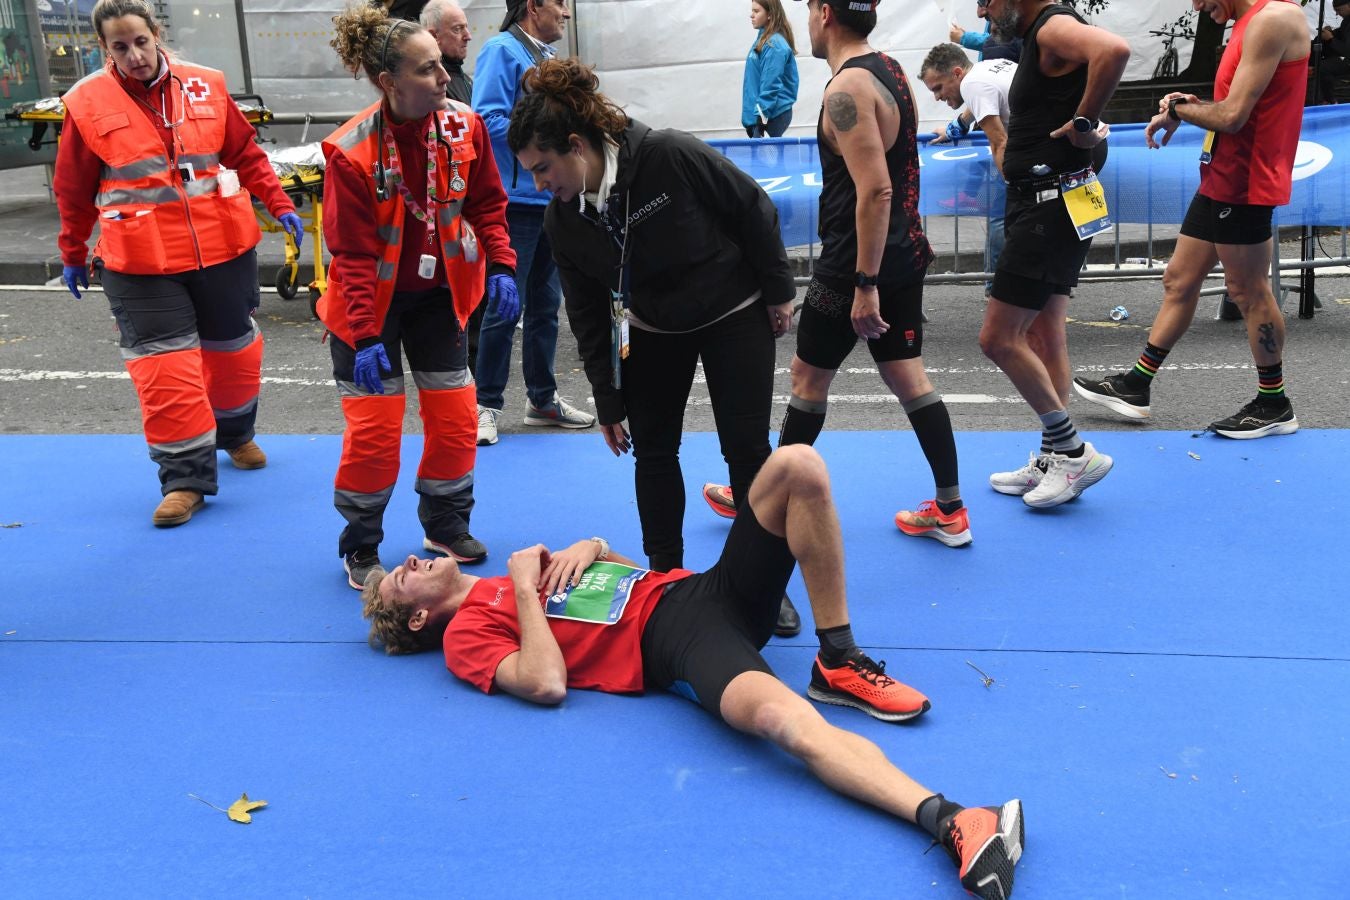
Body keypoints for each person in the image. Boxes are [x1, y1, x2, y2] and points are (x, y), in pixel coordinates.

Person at [361, 444, 1026, 899]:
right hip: (677, 645)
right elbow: (544, 682)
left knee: (797, 465)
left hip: (701, 591)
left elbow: (620, 577)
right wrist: (523, 587)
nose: (412, 561)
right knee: (784, 726)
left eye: (407, 560)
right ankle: (952, 819)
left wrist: (591, 543)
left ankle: (837, 655)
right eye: (401, 577)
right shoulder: (467, 634)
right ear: (418, 620)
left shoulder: (519, 567)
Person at [506, 58, 804, 637]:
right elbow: (588, 315)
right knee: (654, 453)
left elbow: (753, 208)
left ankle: (760, 582)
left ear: (576, 145)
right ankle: (665, 579)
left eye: (544, 168)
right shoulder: (562, 222)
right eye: (531, 175)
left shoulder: (667, 154)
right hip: (651, 328)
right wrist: (608, 401)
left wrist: (778, 292)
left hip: (732, 312)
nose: (541, 185)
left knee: (746, 451)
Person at [709, 0, 970, 548]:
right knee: (908, 377)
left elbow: (876, 188)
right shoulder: (891, 69)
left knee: (808, 379)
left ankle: (764, 497)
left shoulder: (846, 89)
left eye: (807, 10)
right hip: (905, 252)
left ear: (825, 13)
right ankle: (951, 508)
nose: (805, 22)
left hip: (857, 265)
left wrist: (864, 284)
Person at [53, 0, 302, 527]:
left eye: (141, 42)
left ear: (156, 34)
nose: (135, 55)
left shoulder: (205, 84)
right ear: (104, 49)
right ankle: (184, 479)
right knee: (165, 369)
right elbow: (72, 190)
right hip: (138, 260)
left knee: (233, 353)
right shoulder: (85, 102)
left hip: (222, 249)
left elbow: (246, 154)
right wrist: (72, 251)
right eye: (120, 47)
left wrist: (278, 203)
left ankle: (235, 434)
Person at [320, 3, 518, 588]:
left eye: (441, 65)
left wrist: (502, 266)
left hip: (439, 299)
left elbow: (486, 205)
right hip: (368, 311)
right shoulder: (350, 153)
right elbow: (352, 256)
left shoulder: (464, 125)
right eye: (428, 69)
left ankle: (446, 524)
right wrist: (360, 333)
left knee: (456, 418)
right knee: (375, 434)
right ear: (389, 83)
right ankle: (361, 545)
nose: (444, 77)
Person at [1073, 0, 1309, 439]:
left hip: (1245, 182)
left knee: (1248, 290)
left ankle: (1274, 403)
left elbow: (1233, 117)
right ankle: (1136, 386)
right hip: (1220, 175)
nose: (1199, 6)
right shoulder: (1245, 23)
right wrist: (1187, 105)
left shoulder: (1275, 17)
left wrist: (1181, 110)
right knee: (1179, 280)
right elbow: (1234, 107)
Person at [975, 0, 1127, 508]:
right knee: (1044, 332)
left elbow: (1115, 48)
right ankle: (1053, 457)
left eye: (986, 0)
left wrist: (1086, 121)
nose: (982, 11)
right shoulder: (1045, 32)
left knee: (998, 338)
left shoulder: (1051, 26)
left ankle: (1072, 450)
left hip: (1050, 208)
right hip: (1062, 201)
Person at [470, 0, 595, 447]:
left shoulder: (544, 58)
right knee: (505, 304)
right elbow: (485, 120)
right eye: (559, 3)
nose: (565, 12)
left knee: (545, 306)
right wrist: (548, 139)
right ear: (532, 5)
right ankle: (485, 405)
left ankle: (542, 399)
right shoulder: (501, 50)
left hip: (550, 198)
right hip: (516, 201)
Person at [921, 42, 1015, 293]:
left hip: (1054, 150)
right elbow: (976, 107)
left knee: (1005, 216)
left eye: (938, 88)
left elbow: (999, 142)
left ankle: (1000, 289)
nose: (937, 97)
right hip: (1079, 139)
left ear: (957, 73)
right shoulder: (986, 69)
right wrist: (953, 130)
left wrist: (1015, 191)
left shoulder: (973, 84)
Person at [742, 0, 800, 137]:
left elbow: (771, 85)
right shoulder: (762, 40)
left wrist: (761, 120)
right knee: (762, 159)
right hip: (759, 117)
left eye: (756, 11)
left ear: (770, 14)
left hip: (770, 118)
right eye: (752, 11)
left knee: (767, 159)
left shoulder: (774, 45)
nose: (751, 15)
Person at [420, 0, 473, 105]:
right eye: (457, 29)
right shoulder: (432, 87)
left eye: (466, 27)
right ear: (434, 35)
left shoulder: (465, 79)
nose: (468, 36)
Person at [1315, 0, 1350, 103]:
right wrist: (1331, 32)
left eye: (1339, 10)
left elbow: (1347, 50)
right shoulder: (1347, 21)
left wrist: (1331, 39)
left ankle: (1330, 100)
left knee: (1323, 68)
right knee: (1320, 43)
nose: (1337, 13)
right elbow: (1340, 33)